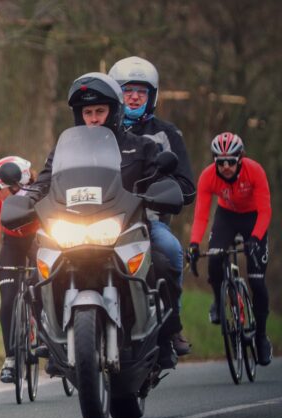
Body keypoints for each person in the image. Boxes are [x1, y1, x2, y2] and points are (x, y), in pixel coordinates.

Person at [22, 72, 180, 369]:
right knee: (39, 268)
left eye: (100, 111)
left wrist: (161, 190)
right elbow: (43, 183)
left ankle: (167, 336)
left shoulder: (141, 146)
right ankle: (51, 338)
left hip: (126, 228)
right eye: (87, 112)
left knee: (163, 258)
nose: (93, 118)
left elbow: (160, 178)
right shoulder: (63, 152)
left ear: (114, 111)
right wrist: (26, 197)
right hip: (72, 229)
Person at [109, 56, 196, 356]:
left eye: (141, 92)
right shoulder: (100, 130)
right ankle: (49, 329)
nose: (134, 97)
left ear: (152, 97)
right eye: (127, 90)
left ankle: (173, 326)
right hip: (99, 219)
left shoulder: (166, 133)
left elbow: (186, 186)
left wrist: (162, 192)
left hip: (146, 219)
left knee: (170, 250)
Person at [188, 132, 272, 365]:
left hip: (254, 218)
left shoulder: (254, 171)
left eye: (231, 162)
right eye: (220, 162)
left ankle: (262, 337)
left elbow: (265, 211)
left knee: (257, 281)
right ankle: (218, 299)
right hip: (226, 217)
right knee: (214, 259)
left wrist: (255, 238)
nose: (225, 166)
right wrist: (194, 244)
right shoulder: (208, 177)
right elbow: (201, 216)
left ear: (240, 159)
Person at [0, 156, 39, 382]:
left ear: (15, 187)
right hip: (11, 243)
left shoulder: (37, 192)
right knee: (7, 299)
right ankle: (10, 358)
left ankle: (47, 340)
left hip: (36, 240)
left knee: (41, 287)